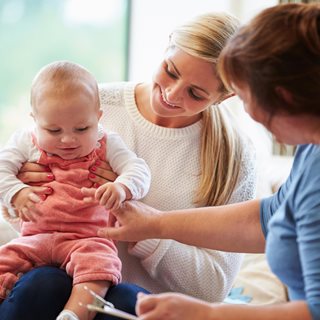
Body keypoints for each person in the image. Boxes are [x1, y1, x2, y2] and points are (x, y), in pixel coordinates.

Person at [0, 12, 257, 320]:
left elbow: (213, 288)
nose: (172, 94)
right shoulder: (89, 103)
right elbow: (31, 223)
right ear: (166, 47)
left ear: (224, 96)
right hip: (52, 282)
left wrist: (146, 229)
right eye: (170, 71)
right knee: (41, 284)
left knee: (127, 300)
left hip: (141, 304)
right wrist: (21, 194)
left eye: (195, 93)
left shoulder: (234, 156)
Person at [97, 3, 320, 320]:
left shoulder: (250, 152)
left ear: (284, 96)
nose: (248, 113)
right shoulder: (312, 150)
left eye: (244, 96)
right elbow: (271, 215)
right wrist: (155, 224)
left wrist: (210, 314)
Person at [0, 61, 151, 320]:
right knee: (5, 260)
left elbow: (139, 170)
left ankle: (74, 314)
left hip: (86, 238)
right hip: (35, 237)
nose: (68, 139)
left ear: (98, 118)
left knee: (100, 265)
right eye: (53, 130)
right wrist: (16, 191)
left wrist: (122, 187)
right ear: (34, 121)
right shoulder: (26, 141)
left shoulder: (107, 143)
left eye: (82, 129)